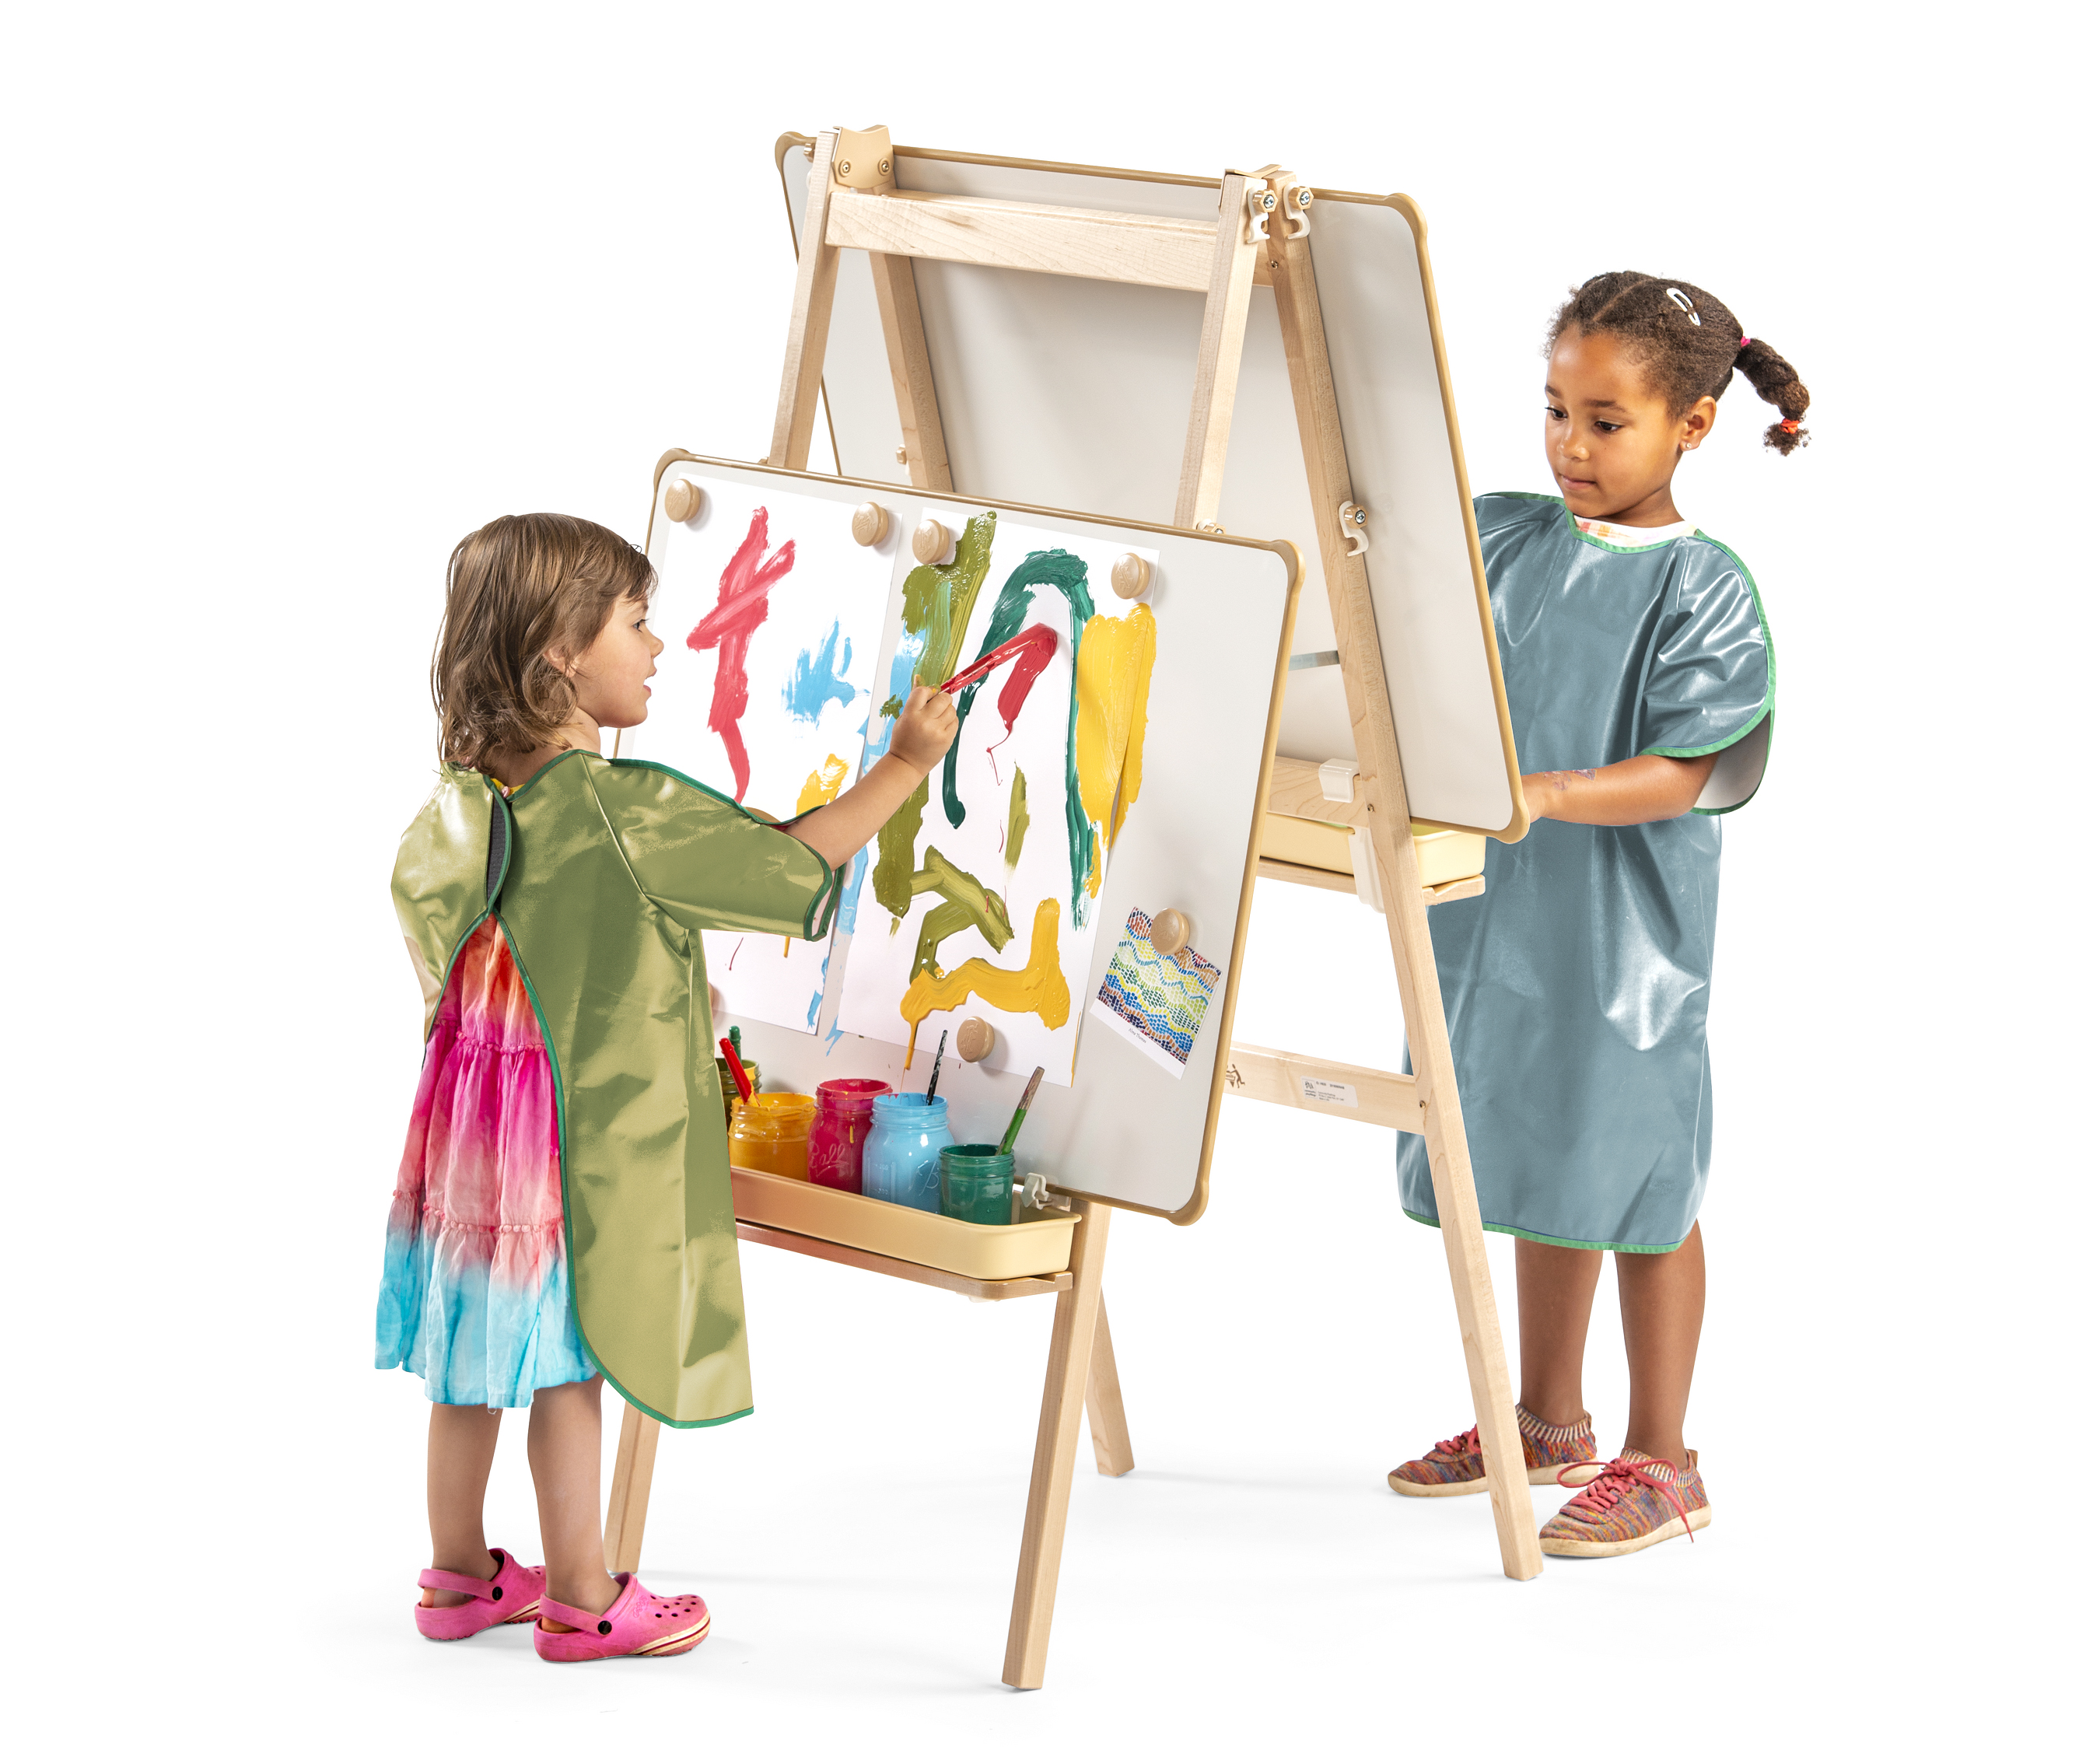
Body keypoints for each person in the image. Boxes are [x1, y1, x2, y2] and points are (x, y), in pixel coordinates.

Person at [377, 513, 957, 1656]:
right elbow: (792, 858)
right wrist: (903, 763)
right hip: (567, 1134)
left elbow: (421, 911)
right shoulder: (618, 808)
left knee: (470, 1350)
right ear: (560, 656)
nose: (660, 647)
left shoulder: (457, 800)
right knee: (570, 1357)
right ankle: (586, 1596)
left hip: (468, 1133)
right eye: (636, 624)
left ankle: (456, 1578)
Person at [1387, 273, 1804, 1558]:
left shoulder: (1702, 588)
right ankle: (1546, 1417)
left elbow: (1689, 766)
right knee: (1532, 1144)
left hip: (1624, 933)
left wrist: (1553, 788)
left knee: (1636, 1169)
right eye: (1557, 410)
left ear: (1692, 426)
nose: (1572, 443)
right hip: (1498, 914)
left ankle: (1665, 1456)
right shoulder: (1507, 537)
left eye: (1607, 420)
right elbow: (1406, 598)